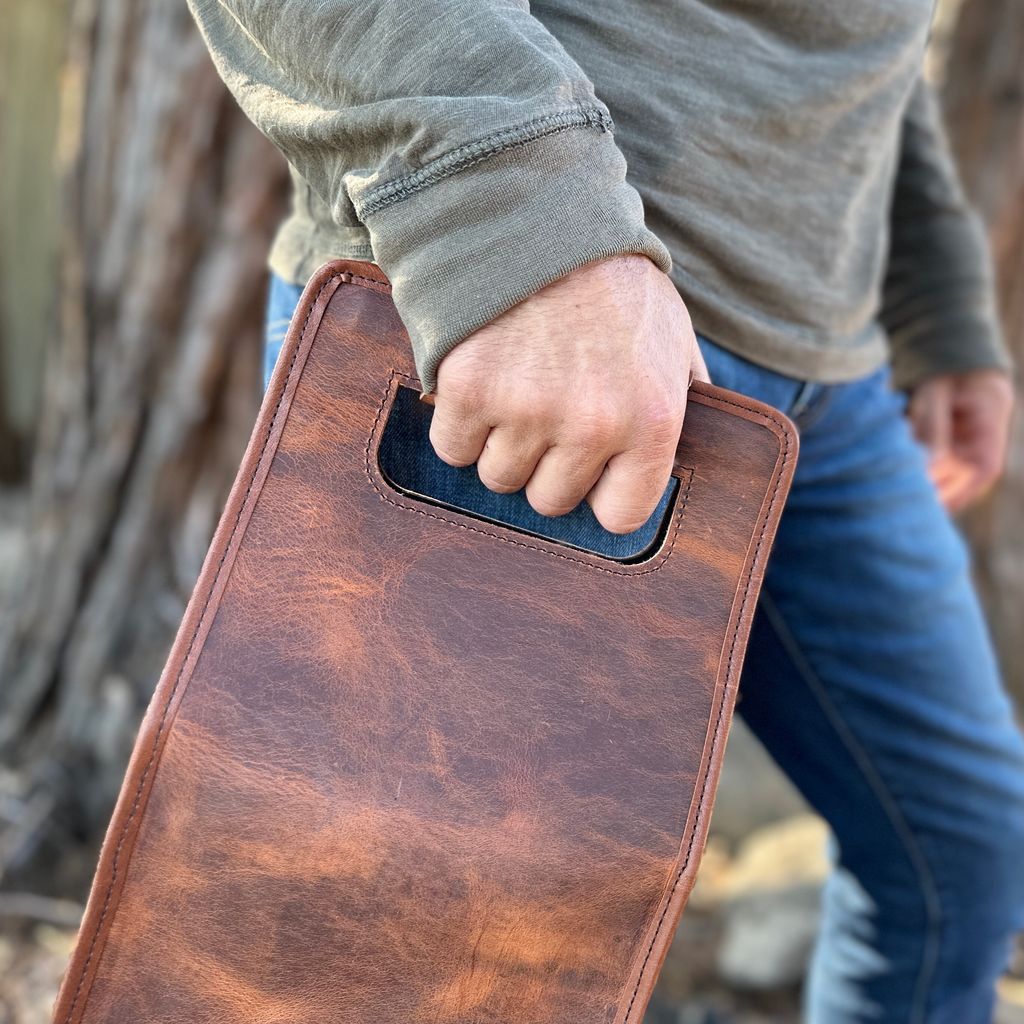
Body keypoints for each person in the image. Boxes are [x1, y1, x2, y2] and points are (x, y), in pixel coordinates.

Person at [187, 2, 1024, 1020]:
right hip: (542, 317)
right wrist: (519, 217)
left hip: (825, 381)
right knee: (435, 960)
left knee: (956, 851)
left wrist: (932, 297)